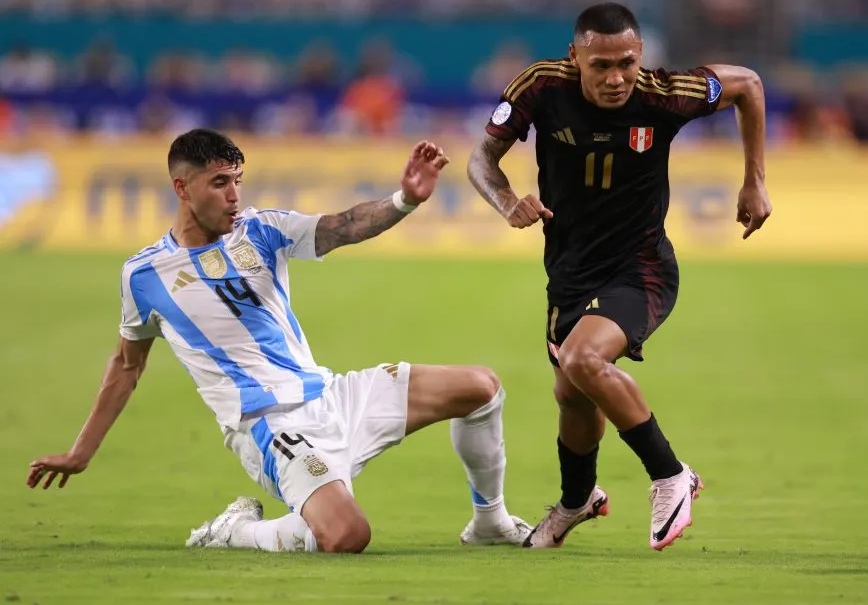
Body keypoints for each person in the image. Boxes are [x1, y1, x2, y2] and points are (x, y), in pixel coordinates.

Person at [26, 128, 531, 553]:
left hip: (333, 395)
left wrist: (405, 201)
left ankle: (491, 521)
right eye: (219, 183)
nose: (233, 195)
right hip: (271, 427)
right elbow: (127, 365)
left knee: (481, 388)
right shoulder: (144, 275)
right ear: (181, 187)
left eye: (237, 181)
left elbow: (344, 227)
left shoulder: (261, 231)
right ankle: (236, 531)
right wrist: (81, 452)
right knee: (347, 536)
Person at [467, 3, 772, 551]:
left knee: (585, 360)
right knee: (572, 392)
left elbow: (748, 84)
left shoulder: (665, 93)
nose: (616, 78)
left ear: (641, 58)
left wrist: (754, 182)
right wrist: (507, 200)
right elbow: (480, 161)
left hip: (642, 269)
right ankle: (577, 500)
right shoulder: (540, 86)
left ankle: (670, 474)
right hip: (569, 274)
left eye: (627, 63)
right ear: (574, 57)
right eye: (601, 65)